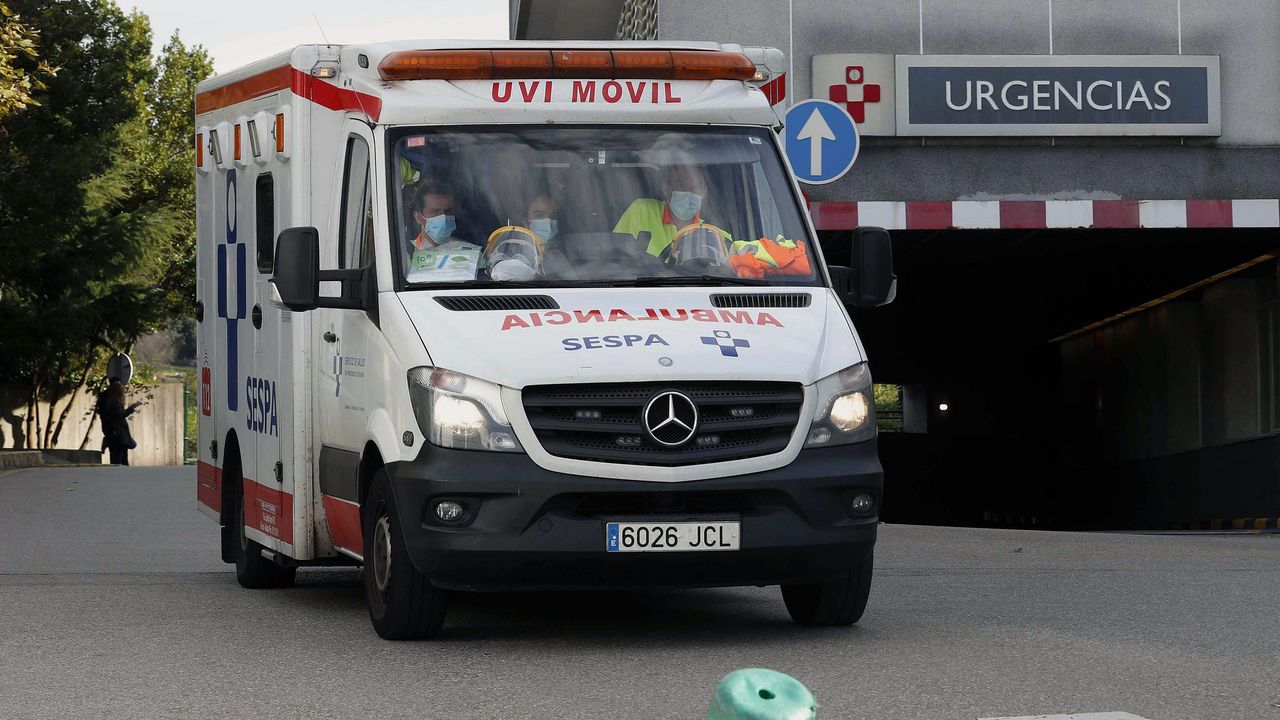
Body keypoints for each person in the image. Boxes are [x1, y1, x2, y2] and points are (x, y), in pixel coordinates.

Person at [613, 163, 722, 263]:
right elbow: (616, 256)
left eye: (696, 188)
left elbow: (734, 256)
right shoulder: (641, 211)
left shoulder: (715, 233)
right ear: (666, 189)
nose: (688, 193)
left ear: (703, 192)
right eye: (680, 186)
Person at [405, 180, 484, 282]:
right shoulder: (406, 255)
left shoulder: (472, 252)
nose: (443, 217)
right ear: (419, 217)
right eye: (434, 212)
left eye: (448, 211)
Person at [98, 376, 139, 466]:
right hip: (118, 435)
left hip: (114, 434)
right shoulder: (115, 402)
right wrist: (131, 408)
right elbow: (120, 416)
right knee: (119, 460)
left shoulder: (107, 399)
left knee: (119, 459)